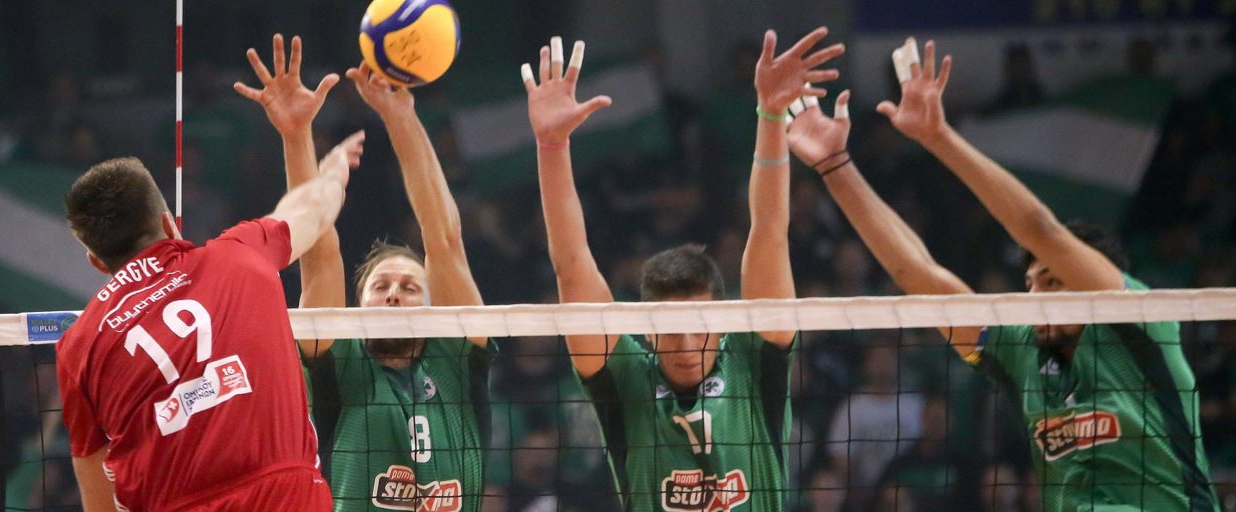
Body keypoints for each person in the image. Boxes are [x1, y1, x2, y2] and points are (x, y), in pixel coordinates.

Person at [785, 39, 1219, 511]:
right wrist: (834, 165)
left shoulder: (1141, 322)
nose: (1034, 297)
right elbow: (919, 275)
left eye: (1052, 282)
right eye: (1029, 284)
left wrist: (938, 137)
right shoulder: (1021, 350)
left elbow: (1040, 230)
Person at [520, 30, 842, 510]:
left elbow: (770, 233)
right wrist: (551, 145)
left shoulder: (753, 363)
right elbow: (571, 264)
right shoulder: (627, 379)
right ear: (648, 332)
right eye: (671, 329)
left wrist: (771, 115)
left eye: (699, 326)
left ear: (724, 322)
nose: (687, 343)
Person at [56, 34, 357, 512]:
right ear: (168, 223)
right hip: (285, 499)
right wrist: (327, 163)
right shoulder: (238, 254)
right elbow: (313, 211)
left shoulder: (78, 345)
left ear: (96, 261)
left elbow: (96, 492)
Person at [291, 59, 492, 511]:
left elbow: (444, 239)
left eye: (410, 287)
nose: (395, 293)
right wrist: (296, 134)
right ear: (357, 308)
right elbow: (318, 255)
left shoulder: (455, 360)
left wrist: (401, 117)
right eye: (380, 286)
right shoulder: (342, 365)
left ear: (435, 309)